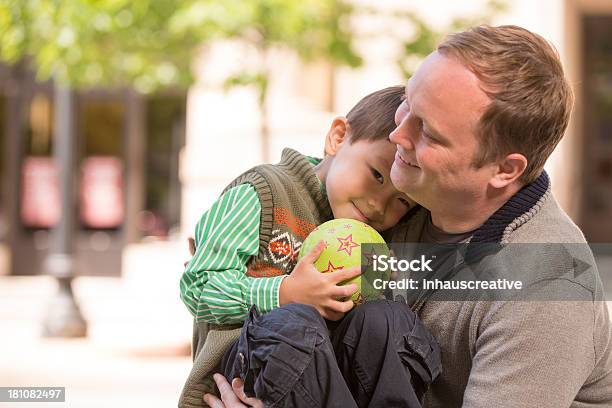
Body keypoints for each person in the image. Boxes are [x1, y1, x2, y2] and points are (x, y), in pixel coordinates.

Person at [202, 24, 612, 408]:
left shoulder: (543, 291)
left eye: (429, 132)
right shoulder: (396, 206)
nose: (398, 135)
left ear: (504, 170)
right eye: (406, 105)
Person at [179, 87, 442, 408]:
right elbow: (199, 285)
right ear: (338, 137)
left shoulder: (377, 239)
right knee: (295, 321)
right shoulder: (263, 193)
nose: (378, 204)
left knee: (387, 318)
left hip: (331, 386)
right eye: (375, 174)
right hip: (248, 372)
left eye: (401, 199)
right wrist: (284, 293)